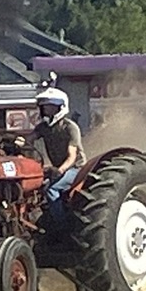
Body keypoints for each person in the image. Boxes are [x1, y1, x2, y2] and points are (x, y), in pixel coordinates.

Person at [28, 86, 86, 229]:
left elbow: (72, 156)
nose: (47, 110)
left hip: (76, 169)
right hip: (58, 168)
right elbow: (29, 139)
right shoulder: (43, 127)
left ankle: (62, 228)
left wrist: (60, 170)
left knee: (52, 190)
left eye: (51, 107)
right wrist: (18, 142)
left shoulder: (70, 127)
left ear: (61, 108)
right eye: (45, 107)